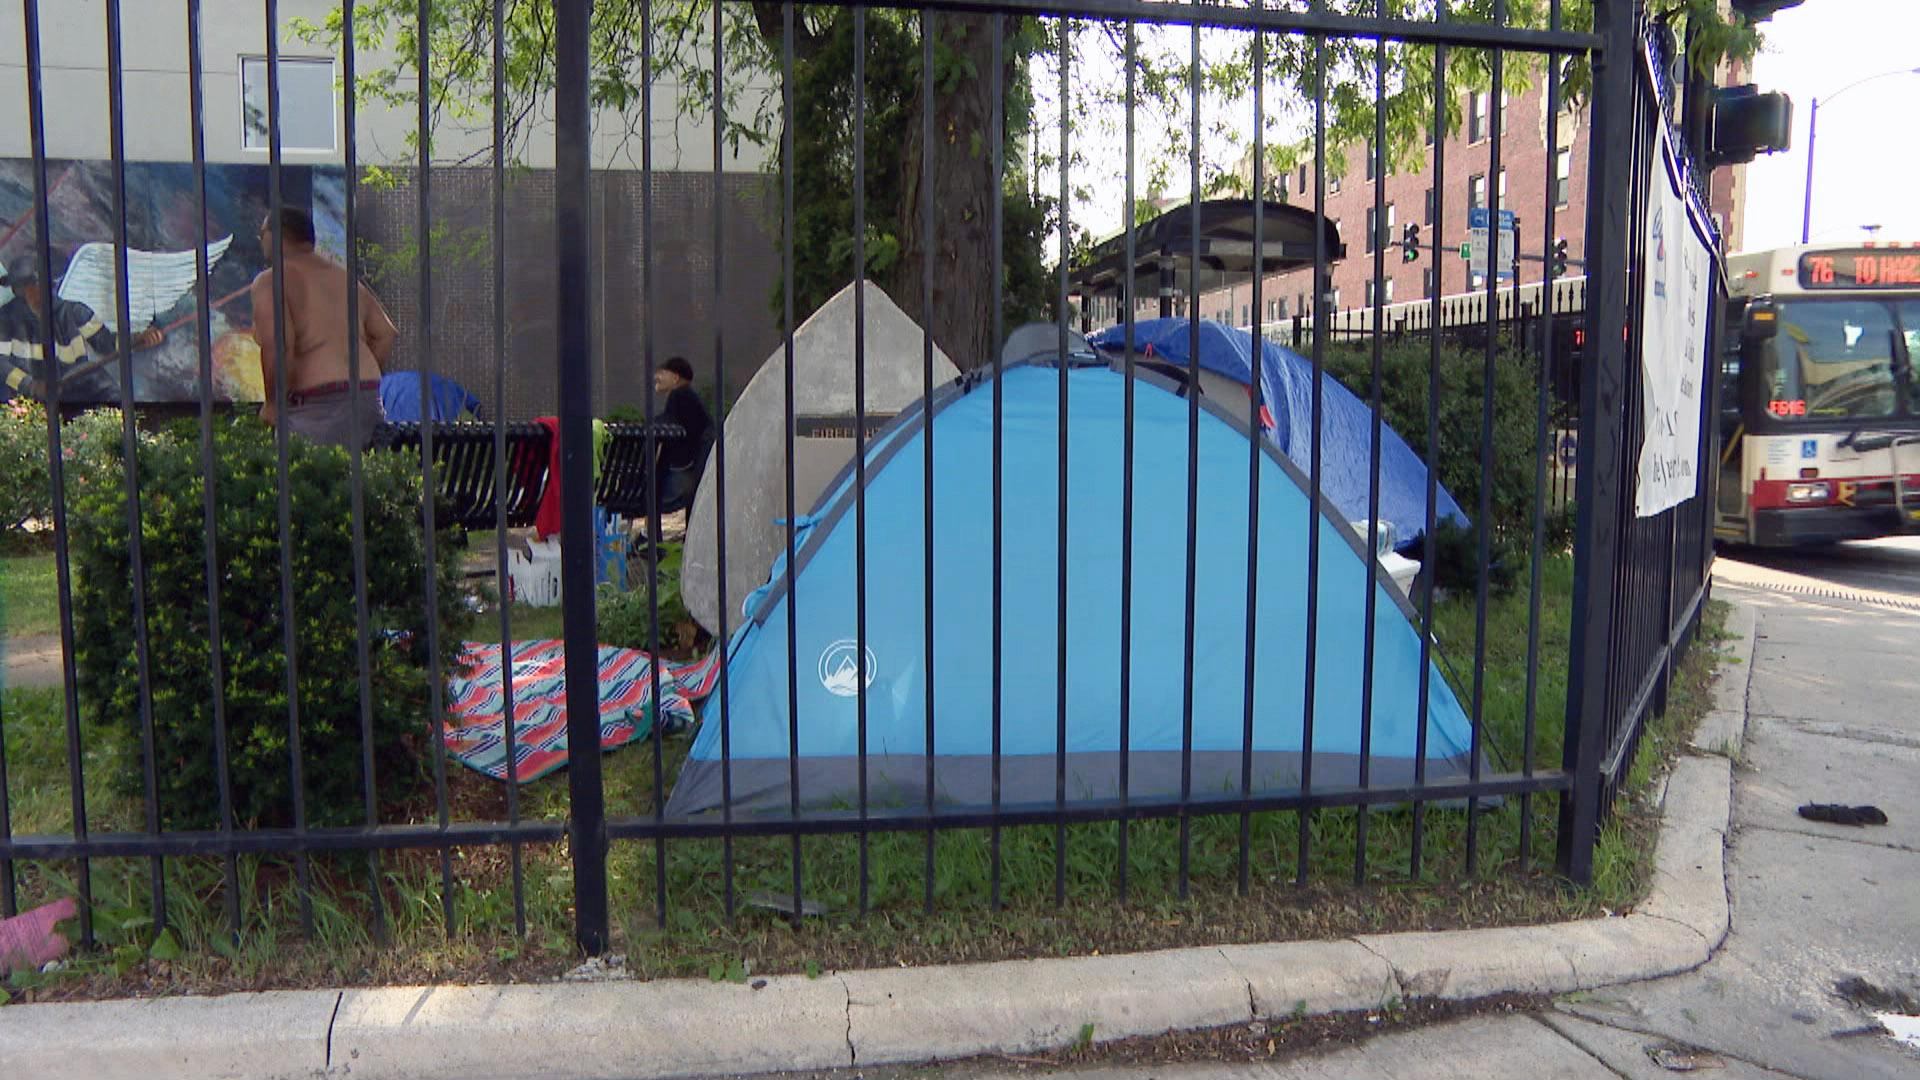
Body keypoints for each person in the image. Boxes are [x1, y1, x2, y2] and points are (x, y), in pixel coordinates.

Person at [249, 207, 396, 450]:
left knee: (302, 483)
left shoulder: (271, 281)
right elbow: (385, 333)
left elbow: (279, 344)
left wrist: (273, 403)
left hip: (316, 408)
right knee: (359, 485)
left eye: (261, 233)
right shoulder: (344, 278)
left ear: (273, 236)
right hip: (368, 401)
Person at [0, 254, 164, 400]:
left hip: (69, 392)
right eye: (31, 286)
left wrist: (137, 339)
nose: (38, 291)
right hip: (25, 402)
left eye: (43, 284)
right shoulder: (6, 319)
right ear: (19, 290)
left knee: (96, 378)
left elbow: (106, 342)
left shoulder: (75, 312)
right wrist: (31, 386)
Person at [653, 355, 714, 506]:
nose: (656, 377)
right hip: (694, 474)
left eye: (661, 373)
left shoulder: (679, 395)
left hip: (681, 478)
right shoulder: (689, 397)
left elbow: (664, 425)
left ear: (675, 378)